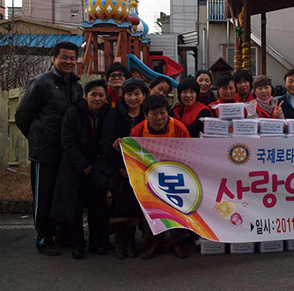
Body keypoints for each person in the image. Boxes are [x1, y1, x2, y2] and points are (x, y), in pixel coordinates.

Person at [15, 41, 84, 256]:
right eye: (64, 57)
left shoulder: (77, 86)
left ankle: (62, 235)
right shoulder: (40, 83)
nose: (68, 61)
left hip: (67, 152)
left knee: (63, 195)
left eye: (72, 58)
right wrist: (37, 138)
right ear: (54, 59)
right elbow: (21, 116)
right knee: (43, 197)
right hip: (44, 153)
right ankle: (44, 238)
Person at [50, 79, 110, 259]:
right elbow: (67, 142)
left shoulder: (108, 113)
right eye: (93, 95)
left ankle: (95, 242)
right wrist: (84, 165)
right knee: (74, 208)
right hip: (75, 168)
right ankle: (77, 243)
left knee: (96, 207)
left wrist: (97, 165)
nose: (97, 99)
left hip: (98, 168)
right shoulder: (73, 113)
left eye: (101, 95)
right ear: (86, 96)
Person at [130, 95, 191, 259]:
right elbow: (133, 157)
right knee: (150, 210)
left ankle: (177, 242)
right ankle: (153, 243)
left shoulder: (179, 128)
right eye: (154, 113)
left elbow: (189, 154)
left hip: (175, 176)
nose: (159, 118)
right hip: (149, 178)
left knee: (179, 209)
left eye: (163, 113)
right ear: (145, 115)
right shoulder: (138, 131)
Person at [100, 78, 148, 259]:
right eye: (129, 94)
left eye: (137, 94)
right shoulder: (114, 114)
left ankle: (131, 242)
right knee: (120, 204)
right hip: (119, 169)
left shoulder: (147, 114)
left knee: (136, 205)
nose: (133, 98)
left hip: (142, 170)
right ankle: (119, 242)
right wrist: (120, 166)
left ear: (144, 95)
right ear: (123, 95)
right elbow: (105, 143)